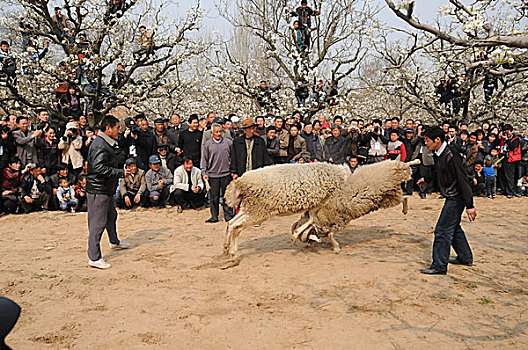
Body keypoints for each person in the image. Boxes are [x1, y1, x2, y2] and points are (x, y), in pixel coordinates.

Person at [417, 126, 476, 275]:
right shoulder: (439, 153)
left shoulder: (452, 154)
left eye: (428, 141)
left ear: (437, 140)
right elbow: (438, 170)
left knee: (442, 230)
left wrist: (470, 205)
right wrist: (427, 179)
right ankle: (465, 257)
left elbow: (463, 179)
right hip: (452, 195)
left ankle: (439, 265)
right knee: (453, 226)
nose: (427, 144)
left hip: (456, 197)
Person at [86, 115, 130, 270]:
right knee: (97, 223)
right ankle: (94, 257)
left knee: (111, 216)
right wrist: (120, 173)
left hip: (106, 188)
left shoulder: (107, 142)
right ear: (108, 128)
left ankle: (114, 241)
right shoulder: (100, 144)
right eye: (117, 127)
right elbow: (98, 168)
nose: (120, 130)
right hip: (99, 189)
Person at [201, 123, 234, 223]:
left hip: (226, 174)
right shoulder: (207, 144)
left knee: (226, 196)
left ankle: (228, 216)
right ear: (212, 133)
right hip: (213, 174)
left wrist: (233, 171)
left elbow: (233, 157)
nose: (219, 134)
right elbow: (204, 159)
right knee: (214, 198)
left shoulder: (228, 142)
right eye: (217, 132)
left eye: (221, 131)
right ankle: (214, 216)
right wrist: (204, 172)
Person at [499, 124, 521, 198]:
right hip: (503, 158)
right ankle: (503, 190)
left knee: (509, 176)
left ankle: (510, 192)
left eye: (507, 132)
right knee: (502, 175)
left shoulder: (516, 139)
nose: (506, 134)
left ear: (512, 131)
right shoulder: (502, 138)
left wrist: (506, 139)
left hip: (511, 160)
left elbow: (512, 147)